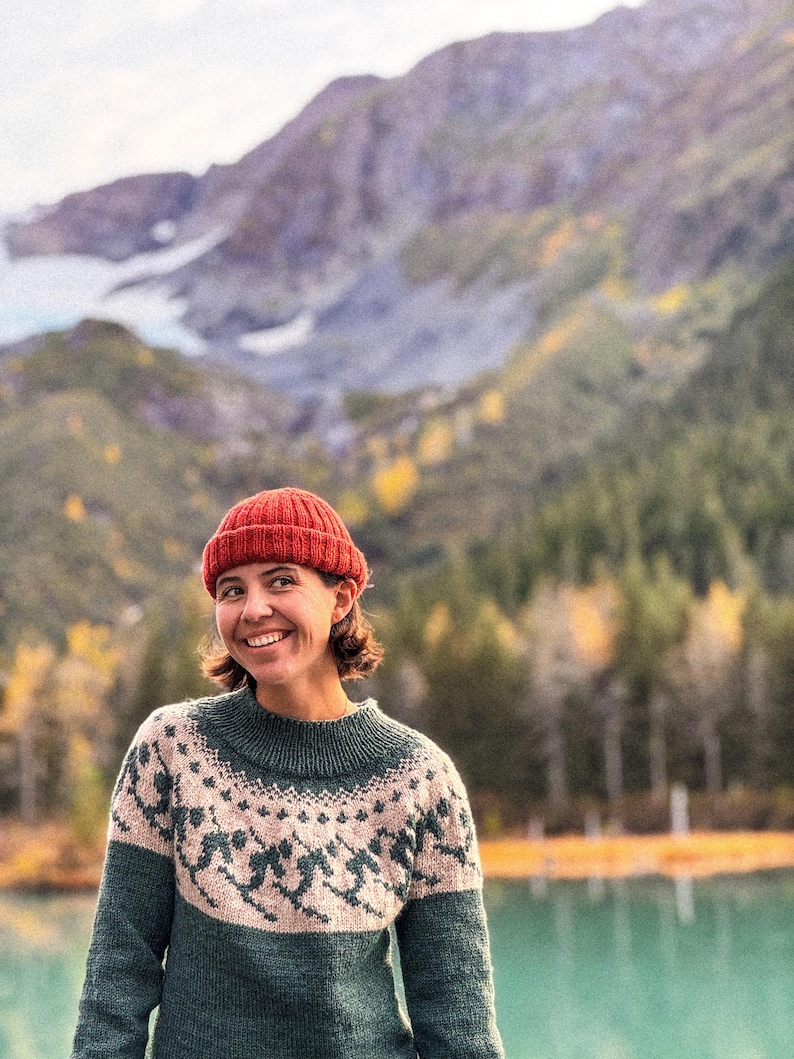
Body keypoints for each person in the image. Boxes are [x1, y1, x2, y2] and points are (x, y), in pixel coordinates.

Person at [71, 487, 505, 1059]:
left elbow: (458, 1020)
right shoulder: (173, 748)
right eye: (232, 590)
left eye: (281, 581)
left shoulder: (420, 781)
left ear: (342, 598)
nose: (253, 609)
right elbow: (117, 978)